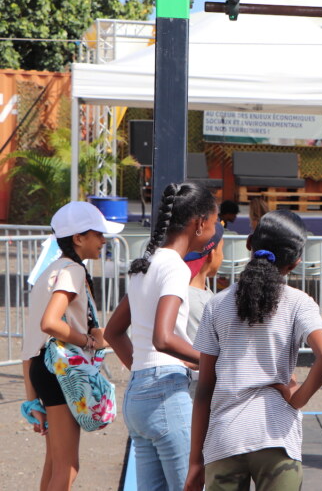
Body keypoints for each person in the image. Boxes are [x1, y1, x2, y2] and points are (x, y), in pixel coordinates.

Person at [185, 210, 322, 491]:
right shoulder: (299, 303)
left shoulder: (217, 304)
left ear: (249, 243)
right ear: (296, 262)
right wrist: (298, 398)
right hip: (277, 437)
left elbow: (204, 389)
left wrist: (196, 462)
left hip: (224, 438)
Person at [105, 181, 218, 491]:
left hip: (138, 394)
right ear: (199, 223)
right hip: (165, 392)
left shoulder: (147, 264)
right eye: (215, 221)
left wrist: (144, 367)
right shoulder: (176, 268)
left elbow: (113, 332)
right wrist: (212, 360)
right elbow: (163, 338)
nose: (215, 230)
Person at [21, 201, 124, 490]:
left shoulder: (50, 270)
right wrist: (87, 340)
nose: (103, 240)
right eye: (98, 234)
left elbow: (32, 341)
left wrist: (31, 399)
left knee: (55, 463)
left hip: (44, 369)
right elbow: (50, 323)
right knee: (68, 467)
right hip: (61, 371)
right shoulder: (72, 271)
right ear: (78, 238)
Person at [183, 221, 225, 342]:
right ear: (211, 254)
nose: (223, 257)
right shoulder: (197, 303)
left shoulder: (191, 292)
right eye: (221, 250)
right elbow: (200, 350)